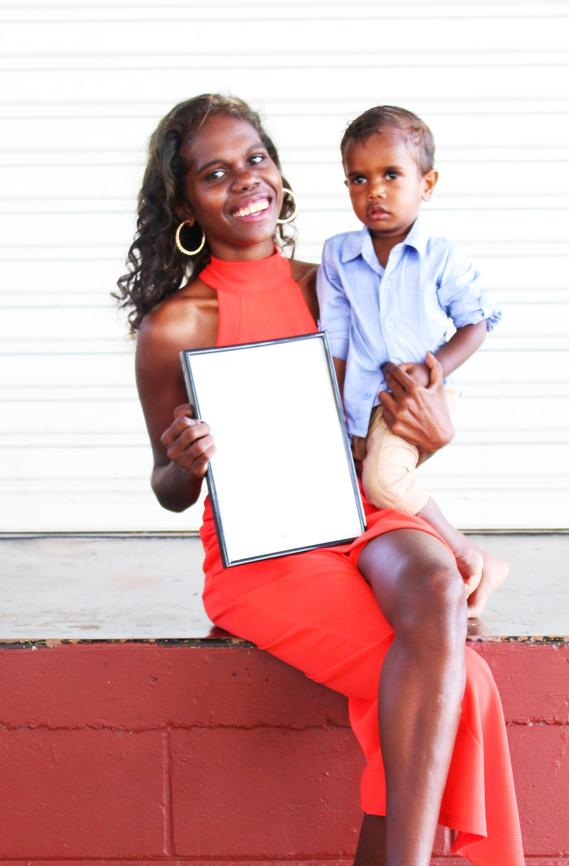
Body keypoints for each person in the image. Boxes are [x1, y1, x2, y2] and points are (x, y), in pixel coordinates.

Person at [116, 94, 524, 866]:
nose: (245, 182)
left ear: (280, 172)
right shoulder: (177, 325)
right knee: (458, 686)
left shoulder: (337, 276)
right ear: (185, 202)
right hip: (264, 550)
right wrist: (184, 460)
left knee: (436, 591)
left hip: (361, 510)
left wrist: (430, 434)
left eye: (256, 159)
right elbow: (169, 488)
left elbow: (387, 412)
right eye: (215, 172)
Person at [318, 106, 509, 615]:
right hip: (364, 398)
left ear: (427, 183)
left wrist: (434, 369)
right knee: (360, 486)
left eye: (391, 175)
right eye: (358, 179)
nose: (373, 191)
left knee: (384, 481)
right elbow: (335, 341)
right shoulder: (338, 256)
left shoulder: (441, 256)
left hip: (421, 395)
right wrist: (341, 420)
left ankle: (469, 554)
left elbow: (478, 322)